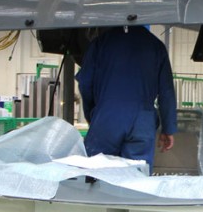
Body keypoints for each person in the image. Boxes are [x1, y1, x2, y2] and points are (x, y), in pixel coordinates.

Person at [76, 26, 177, 168]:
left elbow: (85, 83)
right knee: (136, 178)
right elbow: (166, 91)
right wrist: (168, 128)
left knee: (97, 176)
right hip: (142, 121)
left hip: (107, 118)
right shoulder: (156, 45)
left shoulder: (101, 43)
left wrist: (93, 115)